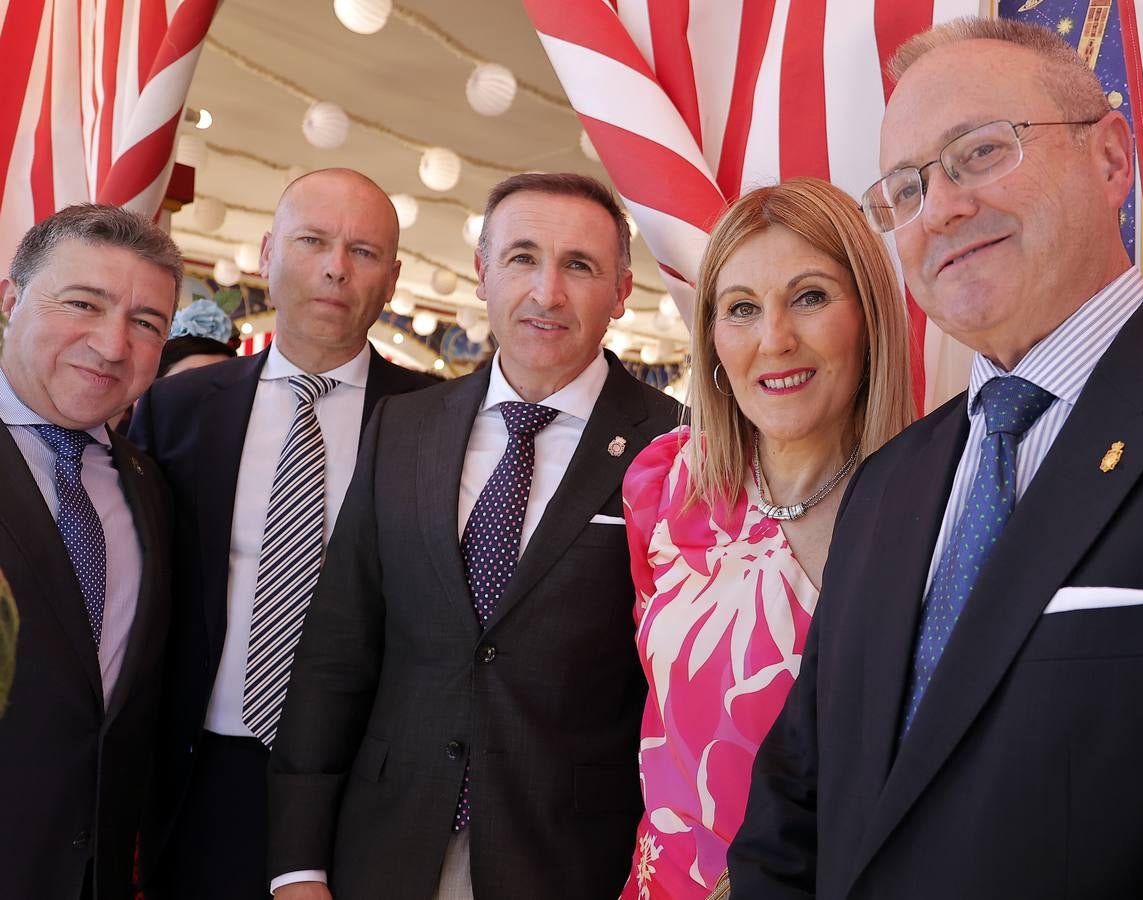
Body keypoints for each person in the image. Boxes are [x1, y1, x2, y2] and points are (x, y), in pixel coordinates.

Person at [729, 17, 1143, 899]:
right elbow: (793, 803)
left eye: (980, 152)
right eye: (903, 190)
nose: (939, 207)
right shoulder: (888, 483)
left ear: (1109, 160)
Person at [267, 172, 683, 900]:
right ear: (482, 272)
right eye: (522, 258)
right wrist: (298, 865)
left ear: (621, 294)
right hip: (385, 847)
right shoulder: (404, 428)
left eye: (578, 266)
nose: (546, 293)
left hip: (572, 861)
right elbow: (337, 650)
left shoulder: (677, 446)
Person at [129, 168, 436, 900]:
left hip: (364, 776)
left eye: (364, 251)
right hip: (201, 767)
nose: (336, 266)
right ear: (267, 253)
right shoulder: (177, 410)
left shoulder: (439, 423)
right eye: (313, 241)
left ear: (391, 281)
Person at [619, 177, 913, 899]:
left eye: (809, 297)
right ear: (713, 338)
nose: (774, 339)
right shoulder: (668, 488)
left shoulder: (933, 505)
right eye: (741, 309)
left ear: (868, 316)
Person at [0, 204, 178, 900]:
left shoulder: (149, 486)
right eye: (83, 303)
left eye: (146, 323)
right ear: (12, 298)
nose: (111, 345)